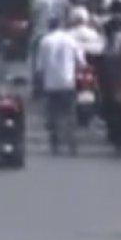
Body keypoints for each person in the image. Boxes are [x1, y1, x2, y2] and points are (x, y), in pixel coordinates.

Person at [36, 16, 84, 155]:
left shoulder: (45, 41)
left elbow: (40, 66)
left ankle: (55, 144)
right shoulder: (71, 40)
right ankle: (72, 144)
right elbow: (81, 61)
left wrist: (39, 84)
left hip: (51, 84)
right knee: (70, 114)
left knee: (53, 114)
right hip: (68, 82)